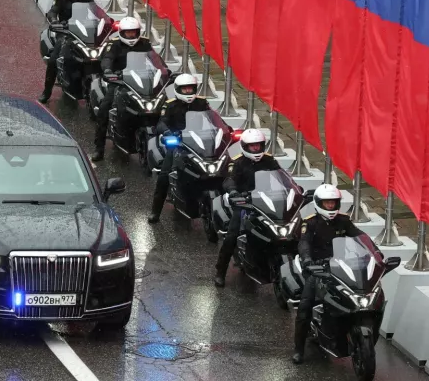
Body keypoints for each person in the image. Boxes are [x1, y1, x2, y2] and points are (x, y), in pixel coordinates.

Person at [292, 184, 364, 364]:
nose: (330, 206)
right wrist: (307, 260)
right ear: (319, 204)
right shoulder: (310, 223)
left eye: (333, 203)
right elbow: (304, 243)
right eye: (327, 203)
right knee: (305, 307)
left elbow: (360, 237)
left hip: (341, 266)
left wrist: (375, 253)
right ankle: (298, 349)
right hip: (318, 268)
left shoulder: (344, 221)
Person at [213, 128, 280, 287]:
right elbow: (229, 180)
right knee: (232, 236)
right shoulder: (238, 162)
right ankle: (220, 272)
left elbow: (282, 176)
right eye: (253, 146)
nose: (256, 149)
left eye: (258, 145)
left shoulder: (269, 161)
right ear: (245, 146)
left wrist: (295, 189)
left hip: (267, 201)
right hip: (245, 203)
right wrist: (234, 192)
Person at [148, 74, 210, 223]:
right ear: (178, 89)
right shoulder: (170, 105)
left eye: (190, 89)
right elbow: (161, 123)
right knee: (164, 176)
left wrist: (226, 130)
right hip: (178, 144)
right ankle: (155, 211)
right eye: (185, 89)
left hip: (200, 143)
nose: (188, 92)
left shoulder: (202, 103)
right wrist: (168, 132)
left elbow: (212, 118)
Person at [91, 16, 153, 161]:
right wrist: (107, 71)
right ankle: (99, 148)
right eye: (128, 33)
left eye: (133, 32)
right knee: (104, 109)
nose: (131, 35)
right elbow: (107, 59)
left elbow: (155, 59)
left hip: (142, 81)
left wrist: (164, 70)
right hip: (119, 81)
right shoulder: (115, 45)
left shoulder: (145, 44)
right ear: (122, 33)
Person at [39, 0, 96, 104]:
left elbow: (95, 12)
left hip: (85, 32)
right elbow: (53, 11)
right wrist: (54, 21)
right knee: (54, 60)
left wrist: (106, 21)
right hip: (65, 33)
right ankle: (46, 92)